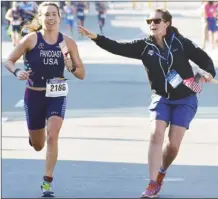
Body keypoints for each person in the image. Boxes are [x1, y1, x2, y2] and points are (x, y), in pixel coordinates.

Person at [78, 8, 216, 198]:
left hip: (185, 98)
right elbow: (118, 47)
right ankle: (152, 184)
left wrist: (209, 72)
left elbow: (205, 59)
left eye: (156, 21)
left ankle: (161, 174)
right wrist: (96, 37)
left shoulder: (181, 44)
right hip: (161, 98)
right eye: (149, 21)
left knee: (173, 146)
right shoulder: (144, 46)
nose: (152, 23)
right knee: (155, 134)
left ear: (167, 23)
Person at [4, 2, 85, 197]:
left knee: (53, 135)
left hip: (56, 95)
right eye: (46, 15)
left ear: (59, 17)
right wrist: (17, 72)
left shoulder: (67, 43)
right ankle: (34, 138)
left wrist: (71, 67)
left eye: (53, 14)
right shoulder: (31, 40)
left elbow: (82, 73)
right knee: (39, 144)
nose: (50, 18)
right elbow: (8, 60)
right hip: (34, 95)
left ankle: (47, 181)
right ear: (40, 18)